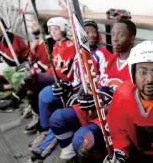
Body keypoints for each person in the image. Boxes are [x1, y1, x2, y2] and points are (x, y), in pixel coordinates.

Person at [49, 19, 136, 162]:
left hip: (115, 115)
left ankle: (102, 156)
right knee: (58, 118)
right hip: (98, 108)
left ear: (132, 38)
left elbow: (132, 100)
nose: (114, 38)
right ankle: (72, 155)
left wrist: (104, 99)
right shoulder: (112, 59)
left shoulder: (135, 63)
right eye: (113, 34)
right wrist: (78, 91)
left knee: (80, 141)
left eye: (120, 35)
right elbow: (100, 86)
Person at [27, 19, 111, 163]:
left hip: (97, 104)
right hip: (83, 100)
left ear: (98, 35)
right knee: (57, 116)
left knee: (68, 125)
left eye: (92, 32)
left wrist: (92, 94)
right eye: (85, 33)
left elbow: (105, 82)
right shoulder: (79, 55)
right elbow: (77, 82)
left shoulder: (102, 54)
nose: (89, 35)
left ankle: (43, 154)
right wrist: (68, 88)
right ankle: (43, 152)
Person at [23, 16, 76, 134]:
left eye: (56, 29)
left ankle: (44, 126)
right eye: (51, 29)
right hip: (55, 77)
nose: (53, 32)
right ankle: (39, 118)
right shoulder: (57, 46)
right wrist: (45, 75)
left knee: (32, 79)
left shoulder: (70, 46)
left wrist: (43, 76)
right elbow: (53, 66)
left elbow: (67, 73)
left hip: (64, 82)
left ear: (63, 29)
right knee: (31, 88)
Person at [0, 16, 29, 111]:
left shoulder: (8, 36)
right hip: (15, 63)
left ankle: (17, 92)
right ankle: (10, 90)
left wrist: (1, 59)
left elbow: (13, 60)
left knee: (0, 68)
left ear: (1, 26)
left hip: (23, 63)